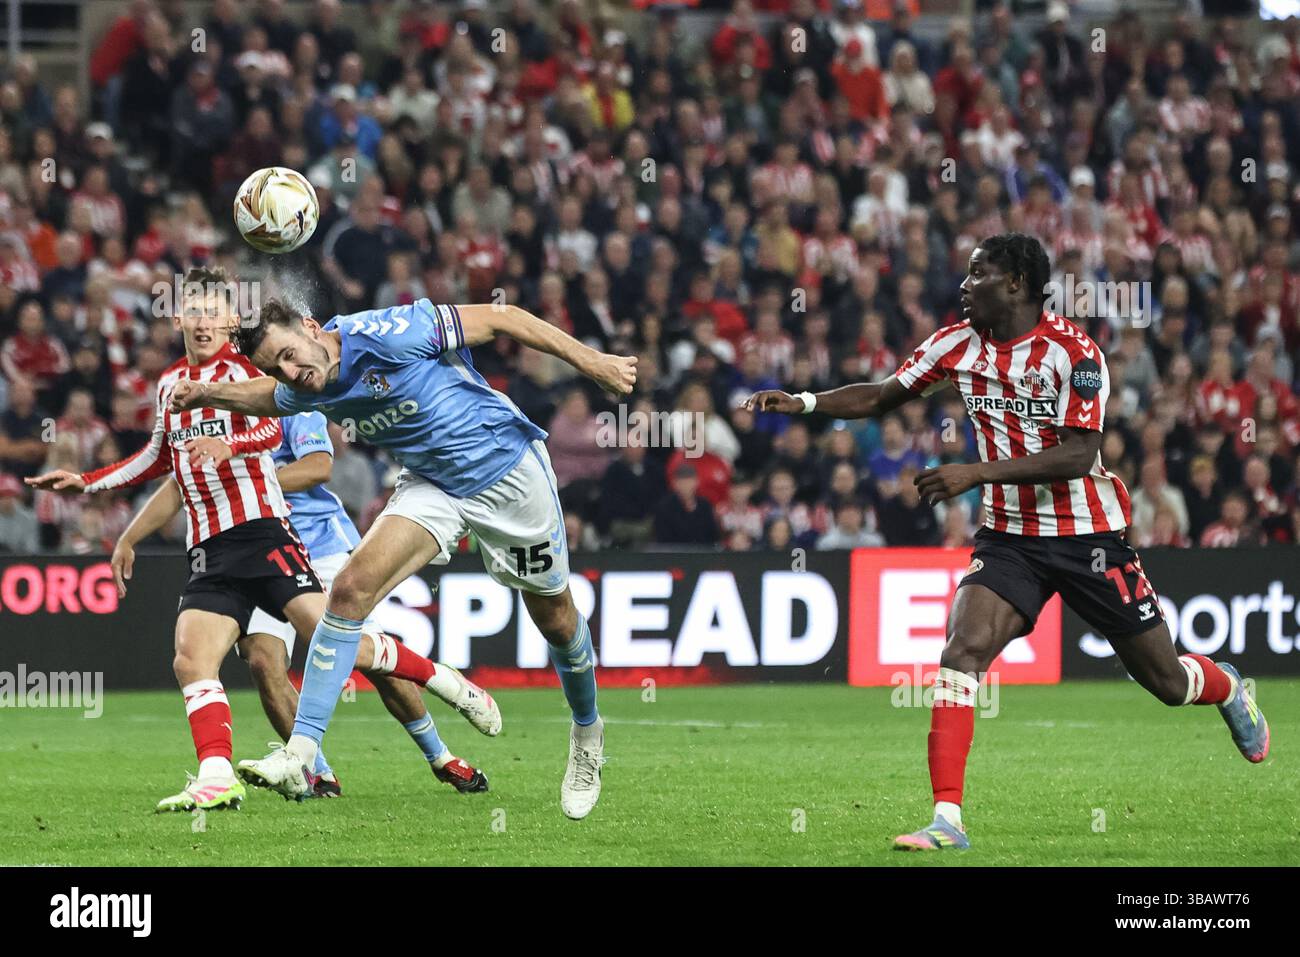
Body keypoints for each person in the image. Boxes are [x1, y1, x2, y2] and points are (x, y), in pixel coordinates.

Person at [744, 233, 1270, 852]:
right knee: (960, 652)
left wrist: (975, 473)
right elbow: (885, 394)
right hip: (1009, 540)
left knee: (1167, 683)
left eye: (978, 275)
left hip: (1090, 537)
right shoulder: (955, 344)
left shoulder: (1073, 354)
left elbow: (1079, 455)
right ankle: (947, 820)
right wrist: (803, 401)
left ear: (1016, 283)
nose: (964, 286)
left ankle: (1229, 686)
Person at [26, 269, 497, 813]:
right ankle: (245, 774)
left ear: (231, 320)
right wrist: (91, 487)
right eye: (192, 312)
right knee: (209, 659)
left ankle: (442, 697)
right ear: (176, 319)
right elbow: (167, 465)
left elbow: (293, 444)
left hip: (285, 534)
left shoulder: (270, 374)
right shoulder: (171, 385)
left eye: (213, 312)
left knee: (347, 647)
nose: (202, 323)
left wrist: (232, 451)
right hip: (211, 548)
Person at [170, 297, 637, 820]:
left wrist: (593, 362)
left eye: (288, 355)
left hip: (505, 471)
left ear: (310, 327)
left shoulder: (386, 334)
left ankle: (587, 732)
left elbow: (504, 318)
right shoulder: (306, 382)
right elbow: (271, 398)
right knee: (347, 591)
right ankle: (300, 753)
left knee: (554, 618)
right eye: (276, 367)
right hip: (433, 485)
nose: (290, 373)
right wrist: (208, 392)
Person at [116, 409, 491, 797]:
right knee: (263, 661)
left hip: (321, 546)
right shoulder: (204, 417)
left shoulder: (285, 403)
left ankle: (440, 752)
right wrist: (130, 536)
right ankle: (315, 771)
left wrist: (252, 484)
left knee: (370, 661)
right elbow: (180, 483)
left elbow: (317, 467)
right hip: (258, 552)